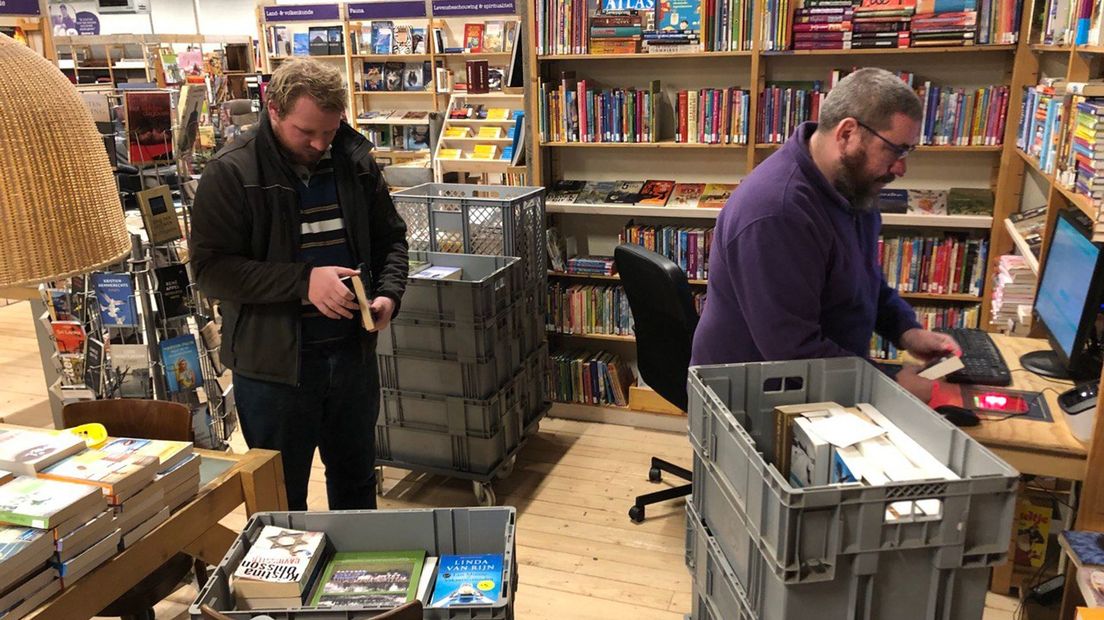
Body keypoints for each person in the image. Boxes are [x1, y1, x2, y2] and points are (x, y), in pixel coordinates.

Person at [190, 57, 409, 510]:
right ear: (273, 110)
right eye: (305, 131)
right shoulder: (232, 172)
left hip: (351, 357)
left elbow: (391, 238)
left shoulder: (355, 160)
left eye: (329, 131)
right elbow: (211, 270)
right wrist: (303, 281)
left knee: (355, 484)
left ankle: (359, 577)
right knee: (281, 499)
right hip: (273, 370)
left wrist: (389, 294)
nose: (318, 143)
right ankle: (291, 584)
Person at [690, 67, 959, 400]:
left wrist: (907, 331)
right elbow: (793, 350)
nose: (901, 168)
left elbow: (863, 282)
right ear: (847, 134)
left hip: (817, 383)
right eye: (895, 150)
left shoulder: (853, 185)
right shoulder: (778, 212)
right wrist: (892, 384)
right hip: (754, 400)